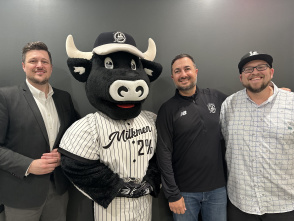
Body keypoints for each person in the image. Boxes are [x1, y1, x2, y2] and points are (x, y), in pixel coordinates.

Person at [0, 41, 78, 221]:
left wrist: (63, 155)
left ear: (50, 67)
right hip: (21, 193)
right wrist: (28, 165)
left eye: (44, 61)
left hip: (59, 190)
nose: (39, 65)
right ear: (23, 66)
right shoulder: (5, 97)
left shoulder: (64, 98)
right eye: (33, 61)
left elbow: (74, 137)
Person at [220, 51, 294, 220]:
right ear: (241, 77)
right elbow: (225, 142)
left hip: (284, 204)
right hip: (241, 204)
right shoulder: (229, 106)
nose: (255, 72)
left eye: (261, 67)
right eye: (248, 69)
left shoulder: (291, 103)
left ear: (271, 72)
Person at [156, 54, 227, 221]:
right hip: (184, 193)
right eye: (177, 71)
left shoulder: (216, 98)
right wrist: (172, 194)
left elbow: (242, 102)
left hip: (217, 190)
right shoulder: (167, 109)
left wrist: (270, 92)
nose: (183, 74)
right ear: (173, 76)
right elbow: (163, 153)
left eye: (187, 69)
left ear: (195, 71)